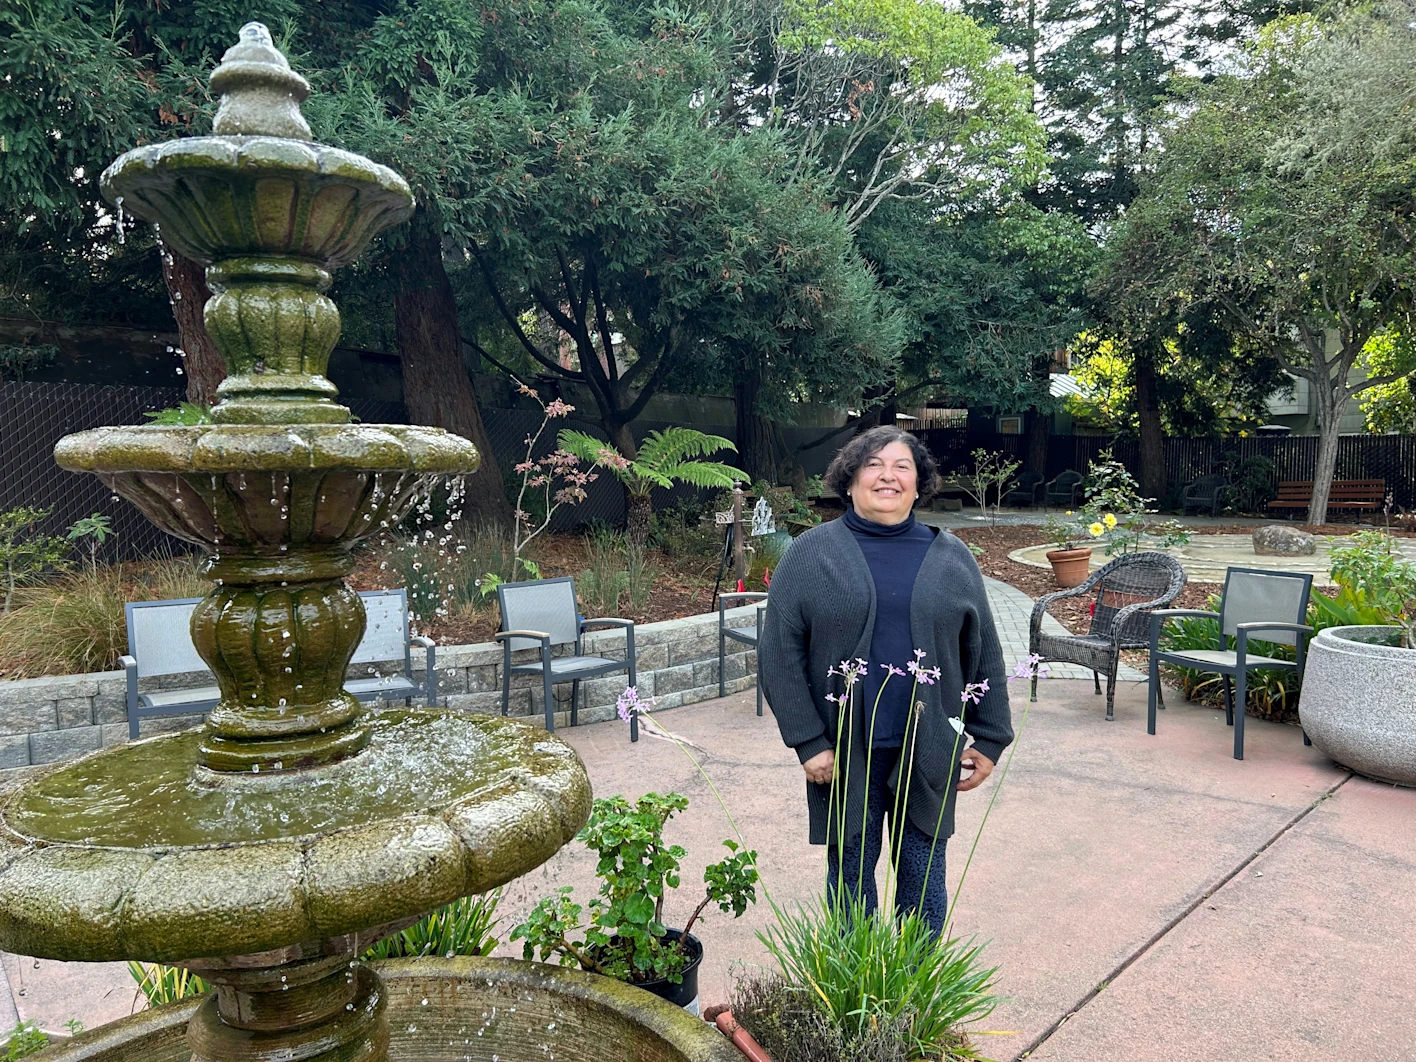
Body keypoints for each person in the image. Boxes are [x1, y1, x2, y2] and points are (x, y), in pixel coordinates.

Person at [758, 426, 1013, 935]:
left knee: (924, 881)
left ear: (920, 485)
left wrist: (990, 736)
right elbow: (779, 653)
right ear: (849, 481)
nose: (888, 475)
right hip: (845, 752)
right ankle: (854, 992)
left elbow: (983, 647)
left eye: (902, 466)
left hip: (928, 747)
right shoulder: (811, 553)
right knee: (850, 877)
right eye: (873, 464)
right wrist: (808, 741)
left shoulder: (953, 557)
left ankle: (913, 995)